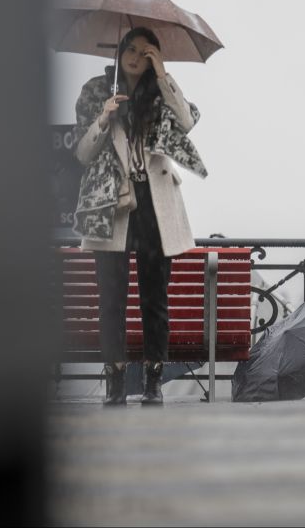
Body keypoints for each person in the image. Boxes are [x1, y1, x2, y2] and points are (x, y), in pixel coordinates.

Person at [72, 27, 207, 406]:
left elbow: (187, 120)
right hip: (112, 206)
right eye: (130, 49)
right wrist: (104, 117)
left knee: (154, 299)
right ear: (119, 51)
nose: (135, 57)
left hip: (154, 203)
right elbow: (82, 154)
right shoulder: (97, 91)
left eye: (145, 52)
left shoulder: (160, 93)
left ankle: (153, 382)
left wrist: (162, 72)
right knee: (111, 300)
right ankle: (115, 382)